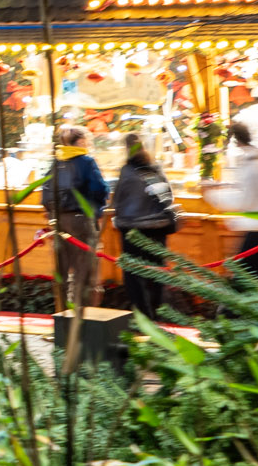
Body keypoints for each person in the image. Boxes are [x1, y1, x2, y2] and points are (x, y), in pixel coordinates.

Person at [43, 124, 110, 312]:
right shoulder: (86, 162)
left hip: (58, 221)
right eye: (86, 140)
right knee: (84, 270)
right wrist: (97, 209)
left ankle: (62, 316)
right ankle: (82, 319)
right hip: (81, 221)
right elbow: (99, 189)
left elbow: (45, 194)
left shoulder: (56, 162)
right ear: (80, 141)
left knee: (61, 270)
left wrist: (52, 214)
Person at [111, 138, 179, 320]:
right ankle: (158, 311)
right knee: (156, 271)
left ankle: (143, 315)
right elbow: (168, 198)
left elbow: (117, 201)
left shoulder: (126, 172)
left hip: (132, 230)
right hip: (158, 228)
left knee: (133, 275)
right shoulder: (154, 169)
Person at [215, 120, 258, 280]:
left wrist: (216, 196)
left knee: (248, 273)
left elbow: (247, 198)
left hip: (257, 224)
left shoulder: (251, 163)